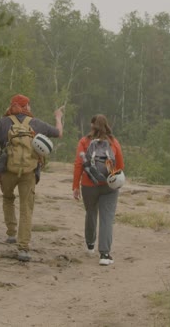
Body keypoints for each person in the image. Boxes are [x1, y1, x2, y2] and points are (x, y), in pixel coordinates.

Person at [0, 94, 64, 262]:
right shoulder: (36, 123)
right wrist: (58, 117)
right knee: (26, 208)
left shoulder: (3, 122)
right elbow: (59, 133)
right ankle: (23, 248)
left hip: (8, 170)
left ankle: (11, 233)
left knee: (8, 198)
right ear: (26, 107)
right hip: (29, 173)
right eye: (29, 105)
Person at [72, 114, 124, 266]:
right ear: (107, 126)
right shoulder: (113, 142)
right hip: (109, 186)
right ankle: (105, 254)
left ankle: (90, 245)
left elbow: (78, 164)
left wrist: (75, 186)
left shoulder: (84, 141)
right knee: (107, 218)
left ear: (91, 125)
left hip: (89, 185)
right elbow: (120, 165)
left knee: (91, 213)